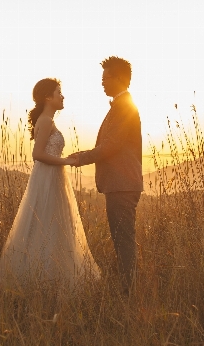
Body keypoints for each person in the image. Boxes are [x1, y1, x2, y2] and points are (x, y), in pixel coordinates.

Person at [0, 78, 100, 288]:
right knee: (45, 223)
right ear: (47, 97)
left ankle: (52, 276)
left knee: (54, 226)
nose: (62, 96)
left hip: (53, 176)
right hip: (47, 178)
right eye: (59, 92)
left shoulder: (47, 121)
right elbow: (38, 154)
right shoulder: (45, 121)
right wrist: (67, 161)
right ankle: (40, 279)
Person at [67, 56, 142, 291]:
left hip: (122, 184)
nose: (102, 83)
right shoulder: (121, 106)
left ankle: (129, 290)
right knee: (122, 238)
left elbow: (112, 145)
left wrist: (82, 157)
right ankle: (127, 287)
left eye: (105, 78)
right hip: (121, 183)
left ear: (119, 78)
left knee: (123, 240)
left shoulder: (124, 107)